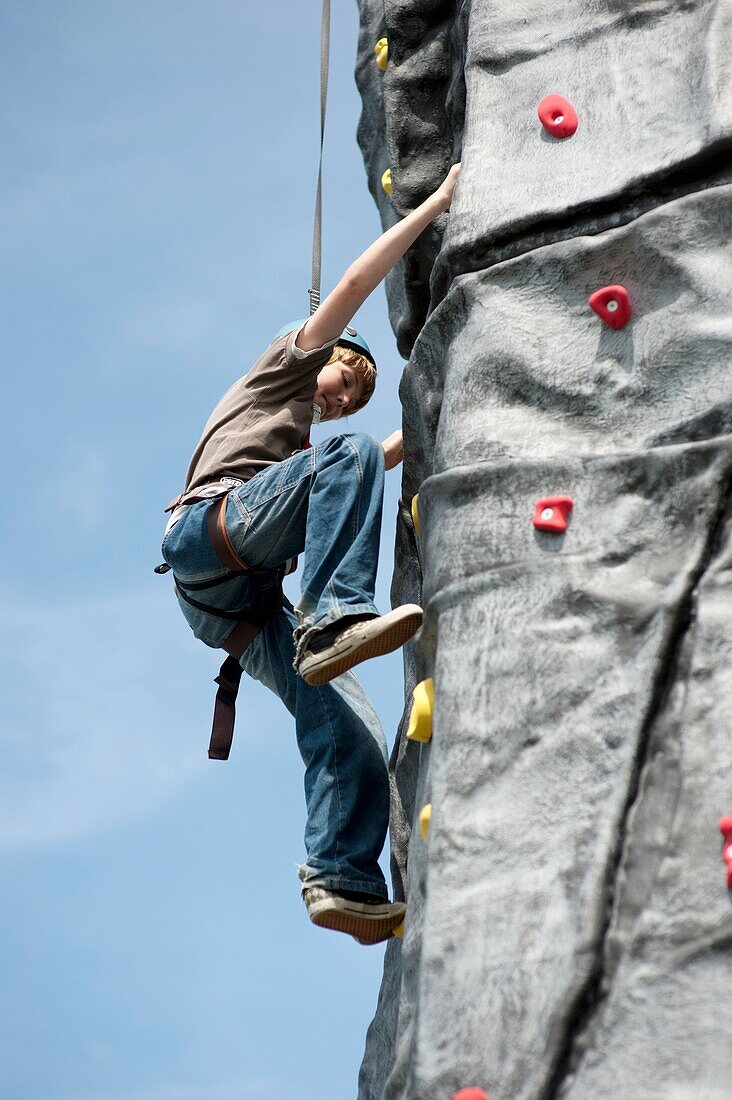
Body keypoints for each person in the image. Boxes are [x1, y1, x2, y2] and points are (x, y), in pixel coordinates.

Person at [160, 164, 460, 944]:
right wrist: (435, 205)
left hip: (233, 608)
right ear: (316, 354)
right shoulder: (284, 367)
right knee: (349, 459)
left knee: (346, 722)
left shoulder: (307, 450)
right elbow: (361, 280)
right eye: (343, 377)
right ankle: (334, 617)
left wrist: (435, 414)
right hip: (206, 536)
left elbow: (382, 455)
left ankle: (341, 878)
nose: (341, 395)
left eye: (356, 393)